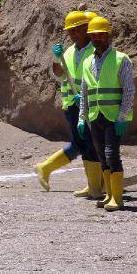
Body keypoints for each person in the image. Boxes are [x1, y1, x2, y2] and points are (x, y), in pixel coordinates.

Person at [35, 11, 102, 198]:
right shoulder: (69, 52)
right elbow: (58, 73)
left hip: (91, 103)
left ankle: (95, 183)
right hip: (72, 105)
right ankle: (95, 185)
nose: (71, 34)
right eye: (69, 31)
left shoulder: (95, 50)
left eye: (75, 30)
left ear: (85, 29)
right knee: (85, 143)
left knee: (87, 143)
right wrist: (56, 59)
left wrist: (87, 96)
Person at [78, 16, 134, 212]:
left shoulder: (121, 59)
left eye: (101, 35)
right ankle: (109, 195)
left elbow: (129, 90)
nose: (98, 38)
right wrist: (81, 117)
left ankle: (117, 199)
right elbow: (84, 92)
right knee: (102, 157)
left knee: (112, 155)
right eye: (94, 36)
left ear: (108, 36)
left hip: (113, 118)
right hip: (95, 117)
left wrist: (122, 116)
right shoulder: (87, 63)